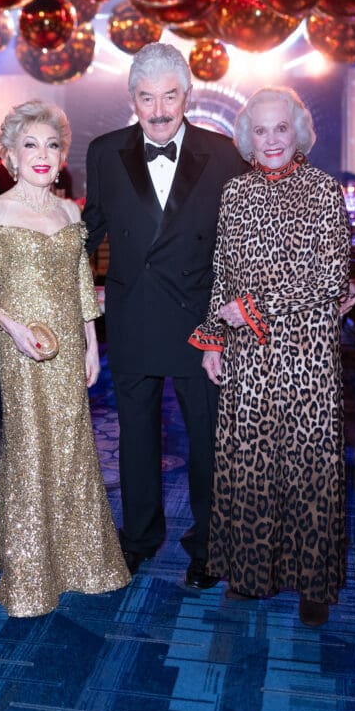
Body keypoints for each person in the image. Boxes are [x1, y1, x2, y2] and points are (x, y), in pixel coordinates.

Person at [83, 42, 247, 588]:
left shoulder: (223, 154)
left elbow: (244, 242)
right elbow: (91, 230)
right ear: (132, 97)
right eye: (147, 97)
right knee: (135, 437)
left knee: (206, 436)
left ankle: (208, 544)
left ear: (188, 96)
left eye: (169, 96)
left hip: (200, 319)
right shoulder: (105, 152)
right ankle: (139, 538)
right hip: (132, 314)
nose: (158, 110)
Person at [189, 86, 351, 628]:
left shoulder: (325, 191)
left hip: (308, 352)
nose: (272, 139)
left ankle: (313, 583)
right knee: (247, 465)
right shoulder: (235, 194)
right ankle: (251, 573)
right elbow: (224, 270)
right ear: (247, 138)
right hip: (248, 357)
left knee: (309, 466)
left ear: (298, 132)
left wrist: (253, 306)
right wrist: (214, 337)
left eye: (281, 128)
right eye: (261, 130)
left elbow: (329, 279)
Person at [0, 100, 130, 617]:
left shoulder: (69, 211)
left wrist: (91, 343)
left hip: (69, 352)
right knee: (31, 449)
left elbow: (83, 285)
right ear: (10, 155)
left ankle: (84, 563)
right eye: (30, 145)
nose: (42, 155)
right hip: (24, 354)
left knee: (74, 446)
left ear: (62, 156)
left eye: (52, 145)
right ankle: (31, 575)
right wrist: (13, 329)